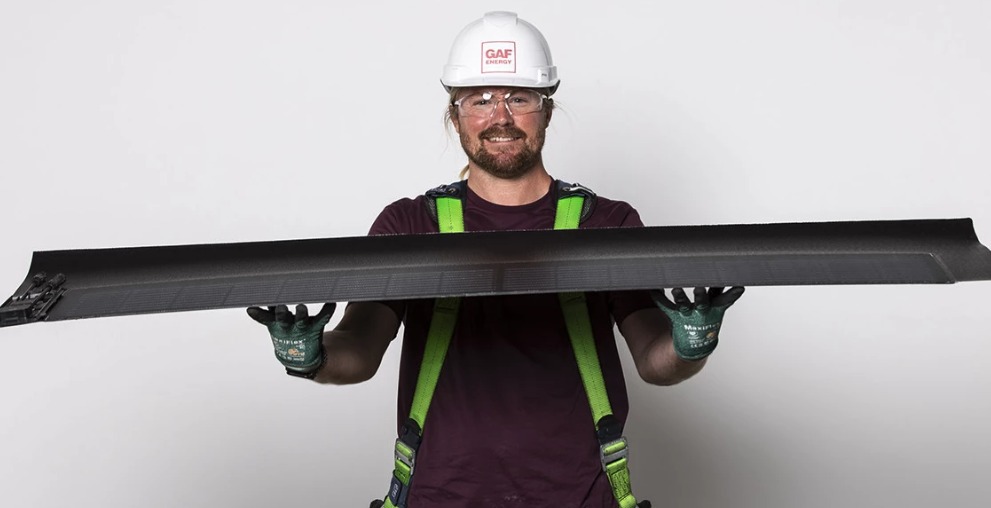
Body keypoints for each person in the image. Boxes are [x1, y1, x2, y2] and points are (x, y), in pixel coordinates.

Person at [247, 11, 744, 508]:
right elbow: (360, 347)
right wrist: (309, 356)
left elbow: (655, 359)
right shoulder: (410, 225)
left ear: (547, 110)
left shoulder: (607, 224)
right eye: (479, 99)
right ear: (454, 114)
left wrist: (691, 344)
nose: (500, 116)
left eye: (519, 97)